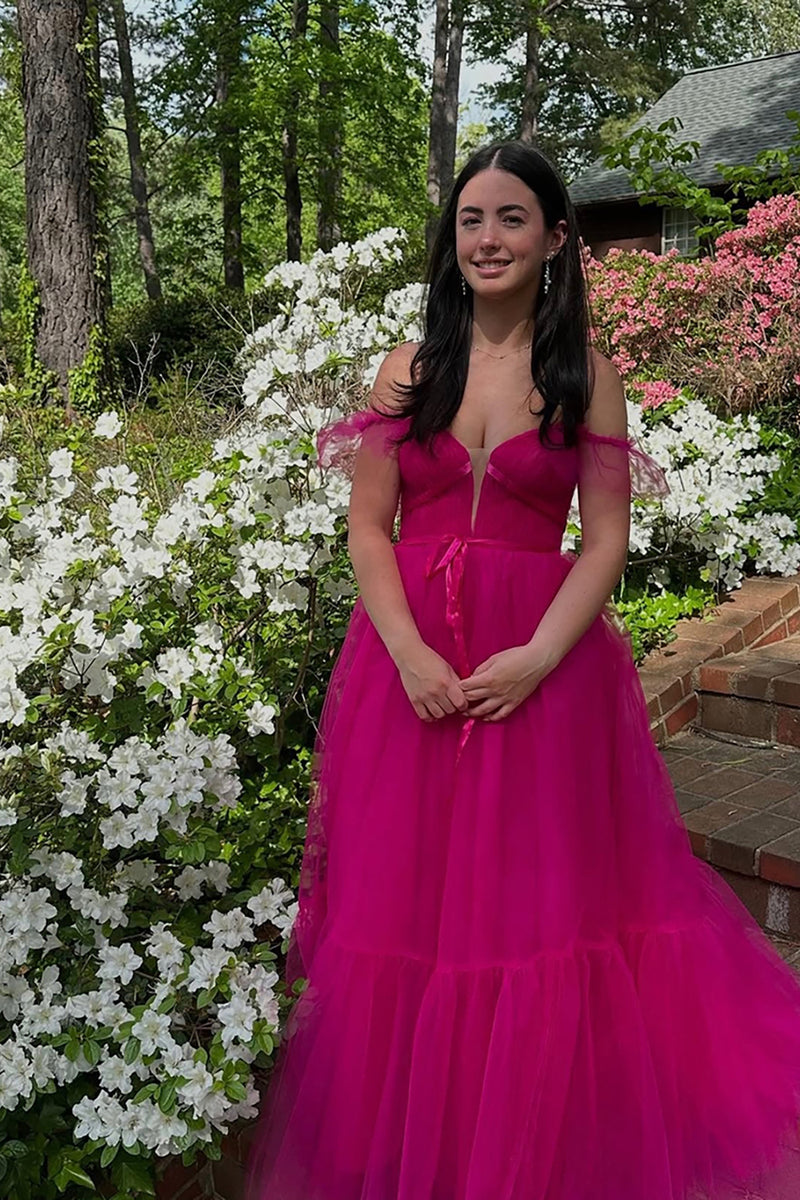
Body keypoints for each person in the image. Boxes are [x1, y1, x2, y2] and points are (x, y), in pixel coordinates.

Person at [246, 141, 800, 1200]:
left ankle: (536, 1147)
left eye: (511, 218)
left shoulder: (585, 377)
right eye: (471, 220)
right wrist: (409, 653)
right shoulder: (406, 372)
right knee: (409, 908)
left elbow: (604, 541)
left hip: (541, 677)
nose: (488, 238)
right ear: (450, 239)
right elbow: (367, 530)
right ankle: (426, 1145)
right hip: (409, 677)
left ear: (553, 239)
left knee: (534, 911)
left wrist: (539, 655)